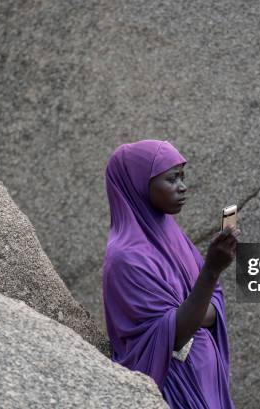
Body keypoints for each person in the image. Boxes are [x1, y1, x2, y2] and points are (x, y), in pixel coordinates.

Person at [102, 139, 240, 408]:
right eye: (172, 179)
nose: (183, 186)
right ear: (140, 184)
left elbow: (211, 307)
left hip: (205, 380)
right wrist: (211, 271)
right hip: (175, 389)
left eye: (183, 176)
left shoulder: (172, 235)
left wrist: (195, 307)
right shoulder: (126, 257)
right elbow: (172, 335)